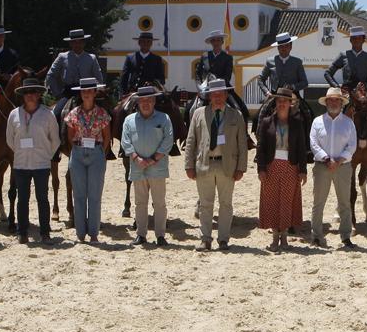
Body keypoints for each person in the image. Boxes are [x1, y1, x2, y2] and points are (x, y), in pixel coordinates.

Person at [184, 79, 248, 251]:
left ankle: (223, 239)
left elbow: (242, 143)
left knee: (226, 204)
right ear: (209, 96)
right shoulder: (198, 114)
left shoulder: (236, 115)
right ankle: (205, 238)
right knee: (205, 204)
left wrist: (241, 167)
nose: (217, 98)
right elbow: (191, 141)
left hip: (227, 166)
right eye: (214, 95)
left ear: (226, 95)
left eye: (221, 94)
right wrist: (188, 165)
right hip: (204, 163)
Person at [5, 78, 60, 244]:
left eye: (33, 92)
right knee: (22, 199)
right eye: (26, 93)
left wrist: (45, 155)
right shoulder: (14, 114)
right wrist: (21, 152)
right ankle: (22, 232)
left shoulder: (48, 114)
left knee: (42, 199)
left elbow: (55, 140)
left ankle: (44, 232)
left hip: (42, 164)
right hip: (21, 164)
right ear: (22, 96)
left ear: (38, 95)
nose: (30, 96)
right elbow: (9, 139)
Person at [255, 87, 309, 250]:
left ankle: (284, 236)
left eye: (285, 101)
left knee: (286, 201)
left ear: (290, 104)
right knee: (271, 201)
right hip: (272, 165)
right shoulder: (266, 122)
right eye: (279, 101)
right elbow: (261, 146)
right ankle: (274, 237)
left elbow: (301, 147)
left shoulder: (297, 123)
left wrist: (303, 170)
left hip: (290, 166)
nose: (282, 104)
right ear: (275, 103)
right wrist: (261, 168)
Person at [120, 85, 174, 246]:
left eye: (149, 100)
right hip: (137, 167)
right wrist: (137, 159)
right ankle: (141, 234)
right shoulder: (129, 120)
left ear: (154, 101)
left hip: (157, 167)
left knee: (159, 203)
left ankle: (160, 235)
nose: (146, 103)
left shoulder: (164, 118)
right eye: (142, 100)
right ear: (137, 102)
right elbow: (125, 141)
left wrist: (152, 159)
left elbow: (168, 140)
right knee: (140, 203)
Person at [64, 77, 112, 243]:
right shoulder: (73, 113)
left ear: (95, 92)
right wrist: (78, 148)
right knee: (78, 194)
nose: (87, 93)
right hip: (77, 153)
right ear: (81, 93)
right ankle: (80, 233)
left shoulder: (102, 113)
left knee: (94, 195)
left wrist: (100, 152)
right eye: (84, 91)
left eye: (90, 91)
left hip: (96, 153)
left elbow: (107, 136)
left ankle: (93, 232)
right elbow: (69, 136)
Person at [309, 87, 358, 248]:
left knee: (344, 202)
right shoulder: (317, 121)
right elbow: (314, 144)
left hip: (343, 166)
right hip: (322, 166)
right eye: (330, 100)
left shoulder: (348, 122)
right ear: (326, 102)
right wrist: (326, 159)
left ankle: (345, 236)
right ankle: (316, 235)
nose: (333, 102)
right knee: (318, 202)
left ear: (341, 102)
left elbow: (352, 146)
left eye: (337, 99)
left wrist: (338, 160)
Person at [45, 29, 106, 124]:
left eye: (80, 42)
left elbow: (99, 78)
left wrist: (98, 91)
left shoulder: (91, 58)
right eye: (74, 42)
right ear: (70, 43)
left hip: (88, 92)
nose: (77, 44)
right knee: (56, 114)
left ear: (84, 43)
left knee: (106, 114)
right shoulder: (62, 57)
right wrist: (57, 93)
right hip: (68, 93)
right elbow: (50, 75)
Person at [196, 30, 250, 120]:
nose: (216, 43)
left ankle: (244, 131)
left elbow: (227, 76)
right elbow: (198, 73)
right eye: (213, 40)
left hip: (223, 87)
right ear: (211, 42)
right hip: (206, 89)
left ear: (222, 42)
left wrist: (217, 85)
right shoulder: (204, 56)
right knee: (189, 110)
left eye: (218, 40)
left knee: (240, 108)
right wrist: (200, 87)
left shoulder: (228, 57)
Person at [325, 25, 367, 94]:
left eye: (359, 38)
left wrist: (364, 87)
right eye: (354, 38)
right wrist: (337, 87)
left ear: (363, 40)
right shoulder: (343, 55)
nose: (356, 40)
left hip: (363, 93)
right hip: (345, 93)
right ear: (350, 40)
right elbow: (327, 73)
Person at [258, 32, 309, 97]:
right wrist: (267, 92)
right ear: (278, 48)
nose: (284, 48)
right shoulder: (269, 61)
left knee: (303, 107)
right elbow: (260, 79)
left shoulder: (297, 62)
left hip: (293, 96)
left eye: (286, 46)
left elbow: (304, 83)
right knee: (265, 107)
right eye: (281, 46)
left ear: (291, 47)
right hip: (275, 96)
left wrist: (293, 86)